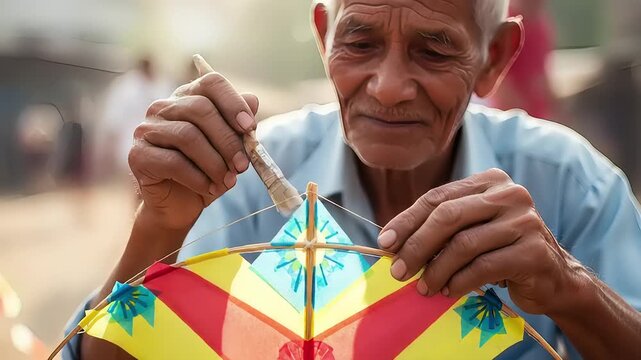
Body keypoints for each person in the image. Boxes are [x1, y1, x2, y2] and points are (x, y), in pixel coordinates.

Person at [64, 1, 641, 359]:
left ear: (495, 57)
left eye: (434, 51)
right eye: (359, 43)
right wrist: (159, 226)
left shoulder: (572, 185)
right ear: (323, 36)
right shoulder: (240, 173)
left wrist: (570, 288)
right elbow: (123, 352)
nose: (388, 86)